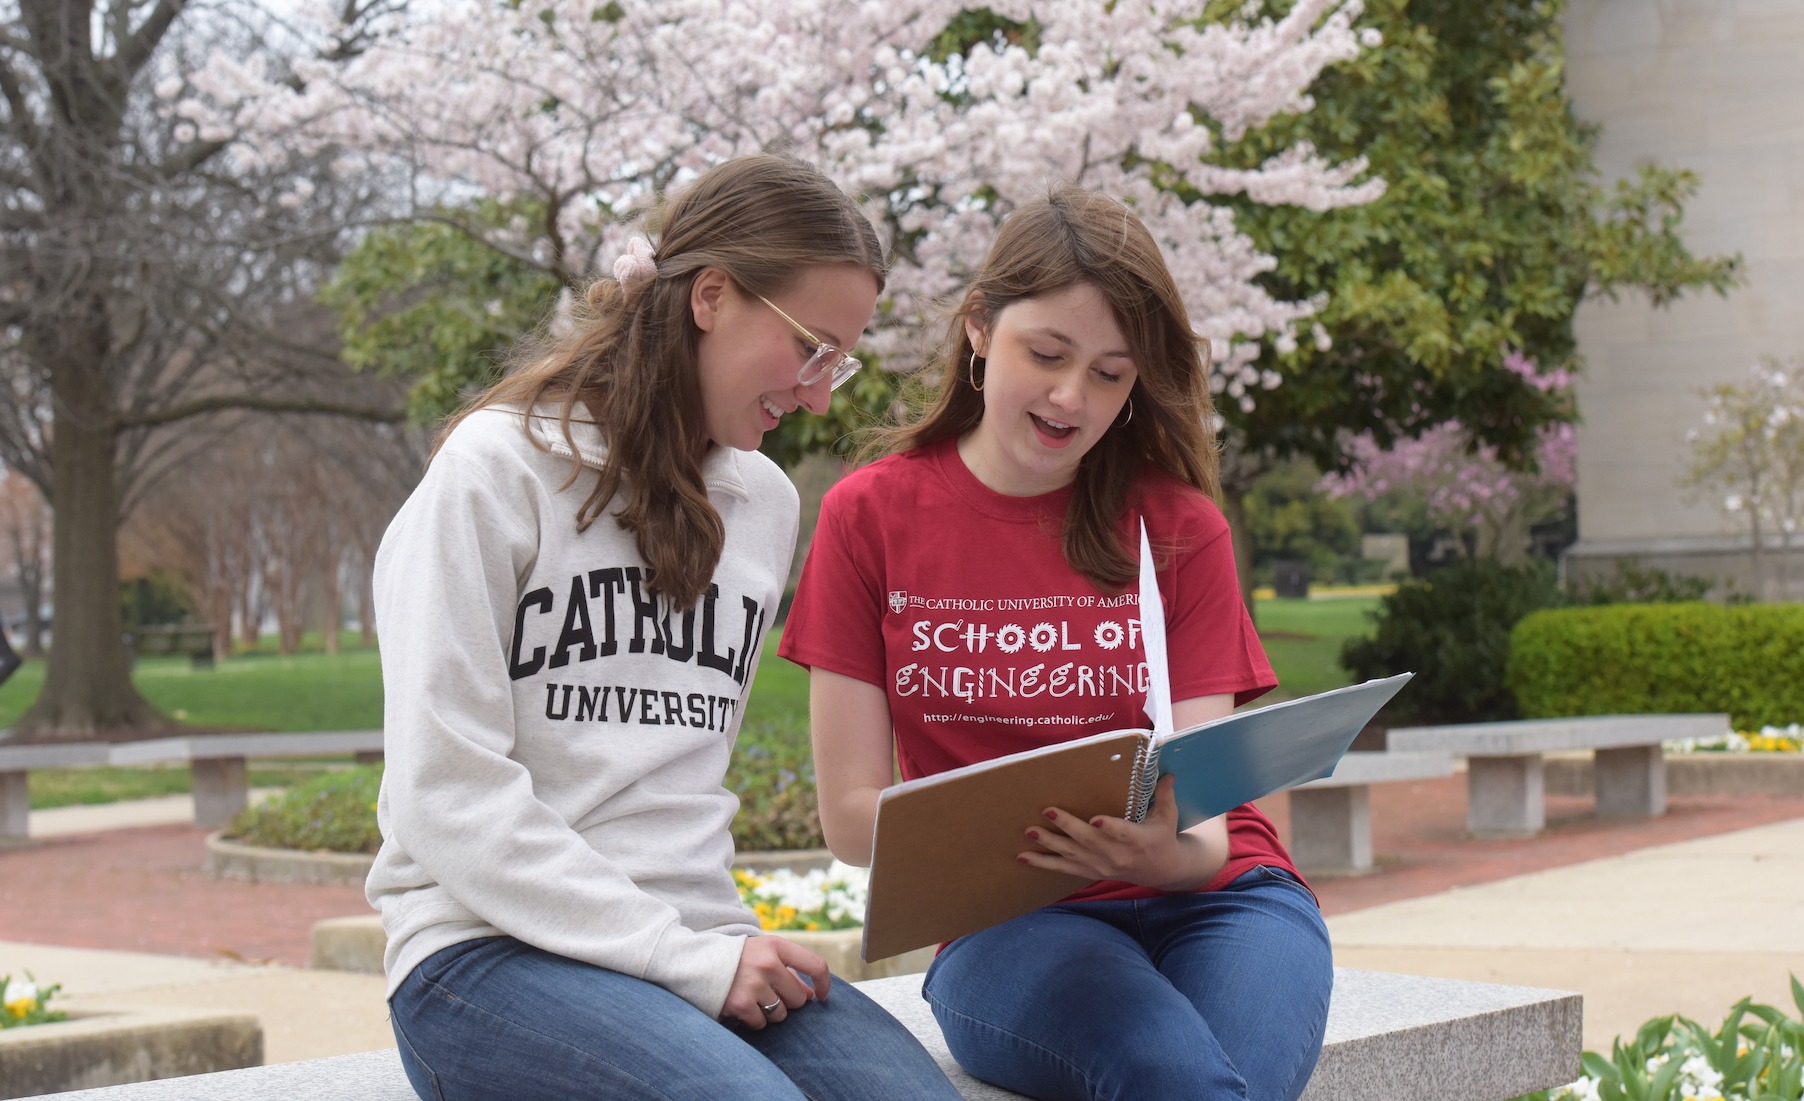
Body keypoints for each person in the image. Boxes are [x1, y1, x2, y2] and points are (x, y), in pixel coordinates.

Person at [368, 154, 963, 1101]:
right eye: (812, 349)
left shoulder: (761, 504)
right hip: (485, 953)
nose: (818, 394)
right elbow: (445, 792)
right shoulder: (499, 469)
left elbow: (671, 790)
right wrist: (680, 958)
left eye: (838, 364)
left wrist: (703, 952)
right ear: (713, 296)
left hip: (698, 942)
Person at [778, 187, 1334, 1101]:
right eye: (1048, 353)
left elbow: (1210, 824)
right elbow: (850, 818)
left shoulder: (1178, 522)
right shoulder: (869, 516)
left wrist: (1157, 856)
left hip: (1226, 900)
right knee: (1178, 1078)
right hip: (1012, 923)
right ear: (979, 328)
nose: (1073, 396)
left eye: (1113, 374)